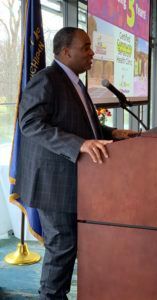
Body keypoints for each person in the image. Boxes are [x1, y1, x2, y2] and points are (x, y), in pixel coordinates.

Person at [15, 27, 136, 299]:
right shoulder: (47, 79)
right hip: (53, 183)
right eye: (86, 47)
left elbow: (79, 124)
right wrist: (78, 144)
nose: (92, 53)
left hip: (77, 180)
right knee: (62, 245)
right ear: (66, 51)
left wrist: (111, 133)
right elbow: (30, 123)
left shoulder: (75, 82)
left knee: (67, 245)